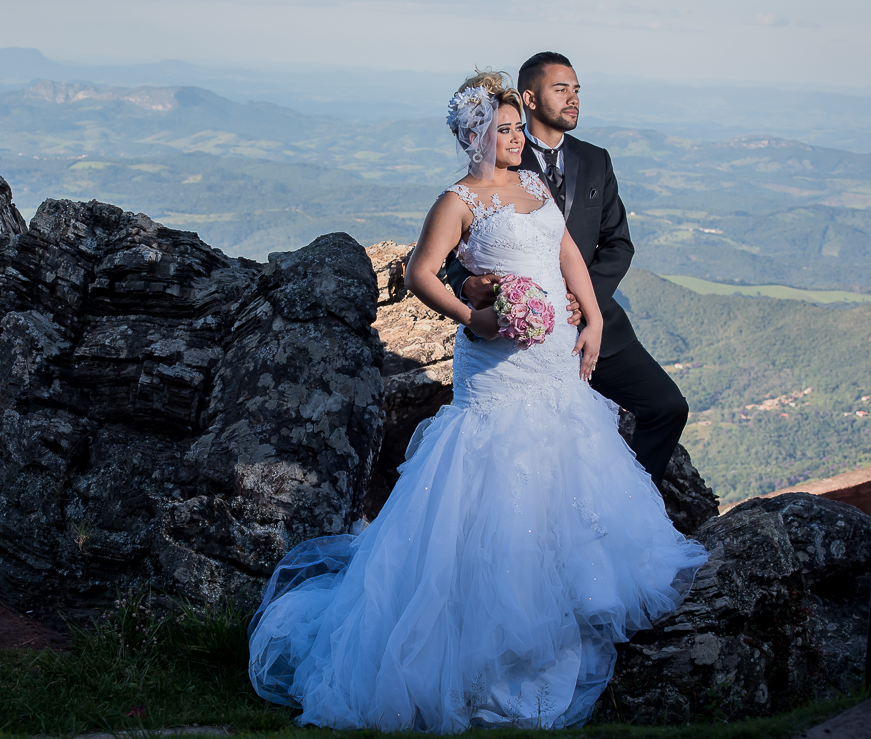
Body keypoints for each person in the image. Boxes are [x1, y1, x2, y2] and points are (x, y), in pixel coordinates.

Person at [247, 71, 708, 731]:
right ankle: (488, 645)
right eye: (506, 128)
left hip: (554, 359)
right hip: (497, 369)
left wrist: (595, 322)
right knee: (495, 484)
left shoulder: (533, 185)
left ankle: (565, 612)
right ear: (475, 135)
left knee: (561, 474)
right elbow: (420, 273)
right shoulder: (458, 200)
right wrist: (473, 316)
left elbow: (568, 250)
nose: (518, 137)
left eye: (520, 126)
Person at [443, 52, 687, 488]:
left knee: (668, 407)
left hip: (594, 324)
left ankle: (627, 502)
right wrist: (471, 286)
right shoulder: (501, 160)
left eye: (577, 90)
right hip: (520, 334)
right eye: (562, 89)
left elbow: (618, 243)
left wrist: (581, 302)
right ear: (530, 99)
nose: (574, 99)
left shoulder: (596, 160)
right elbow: (456, 249)